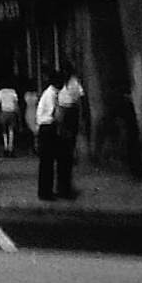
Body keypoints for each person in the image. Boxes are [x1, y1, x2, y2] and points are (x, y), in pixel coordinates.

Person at [35, 69, 65, 201]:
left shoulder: (50, 93)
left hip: (46, 127)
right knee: (47, 162)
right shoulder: (52, 95)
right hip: (48, 127)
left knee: (47, 161)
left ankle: (46, 190)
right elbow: (56, 114)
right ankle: (45, 192)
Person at [55, 70, 85, 199]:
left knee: (64, 157)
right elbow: (79, 98)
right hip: (68, 113)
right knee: (66, 156)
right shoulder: (73, 83)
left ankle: (63, 187)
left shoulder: (61, 87)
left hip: (65, 114)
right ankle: (65, 188)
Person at [0, 84, 20, 156]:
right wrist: (18, 114)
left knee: (4, 131)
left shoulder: (1, 92)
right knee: (11, 130)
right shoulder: (13, 91)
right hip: (11, 112)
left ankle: (5, 147)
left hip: (3, 112)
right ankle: (11, 147)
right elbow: (16, 104)